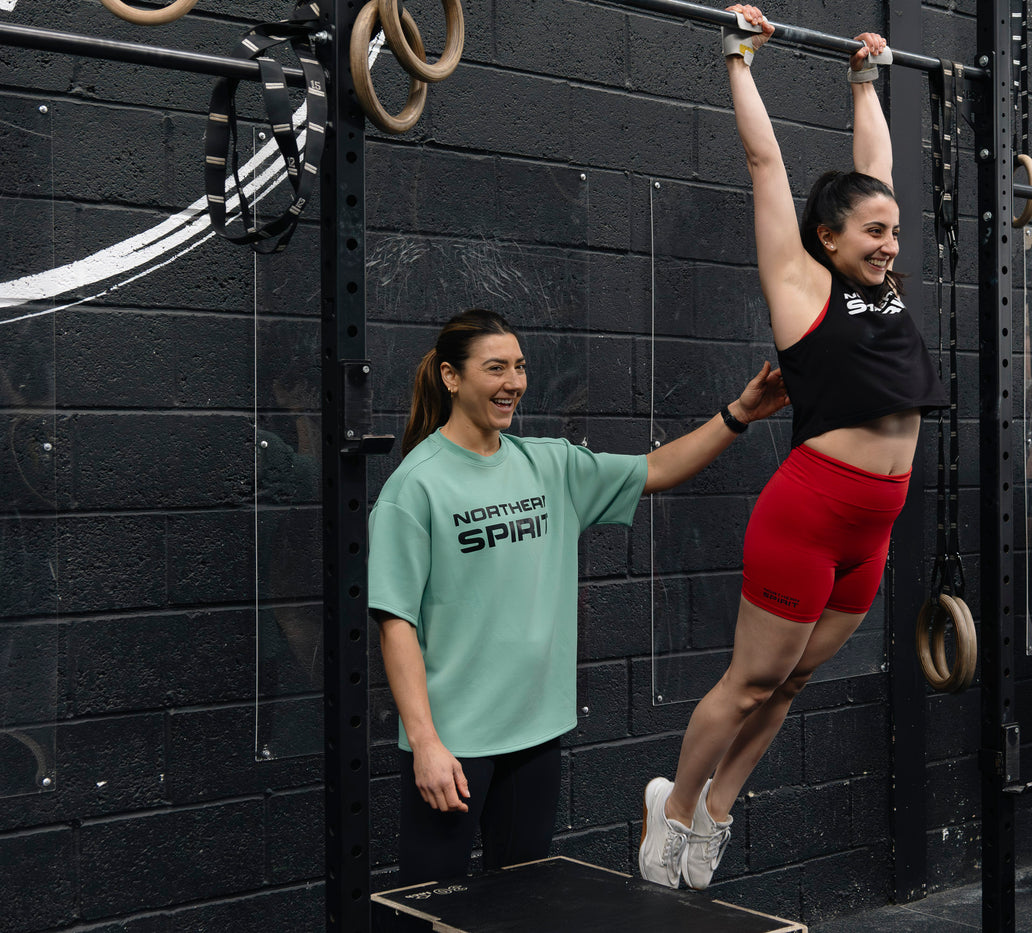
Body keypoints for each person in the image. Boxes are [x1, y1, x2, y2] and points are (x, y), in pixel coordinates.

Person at [638, 5, 945, 890]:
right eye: (875, 233)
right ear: (828, 238)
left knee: (793, 685)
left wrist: (863, 78)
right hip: (812, 510)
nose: (891, 244)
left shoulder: (883, 292)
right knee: (748, 681)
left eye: (894, 232)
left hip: (874, 525)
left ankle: (717, 810)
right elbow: (766, 164)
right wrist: (740, 59)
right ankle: (674, 799)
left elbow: (874, 168)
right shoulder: (800, 286)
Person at [369, 309, 789, 884]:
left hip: (536, 730)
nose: (513, 382)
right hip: (455, 743)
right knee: (427, 904)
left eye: (519, 367)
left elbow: (656, 468)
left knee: (521, 903)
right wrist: (425, 742)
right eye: (495, 368)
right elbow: (396, 623)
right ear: (450, 377)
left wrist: (739, 414)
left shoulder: (550, 463)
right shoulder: (414, 485)